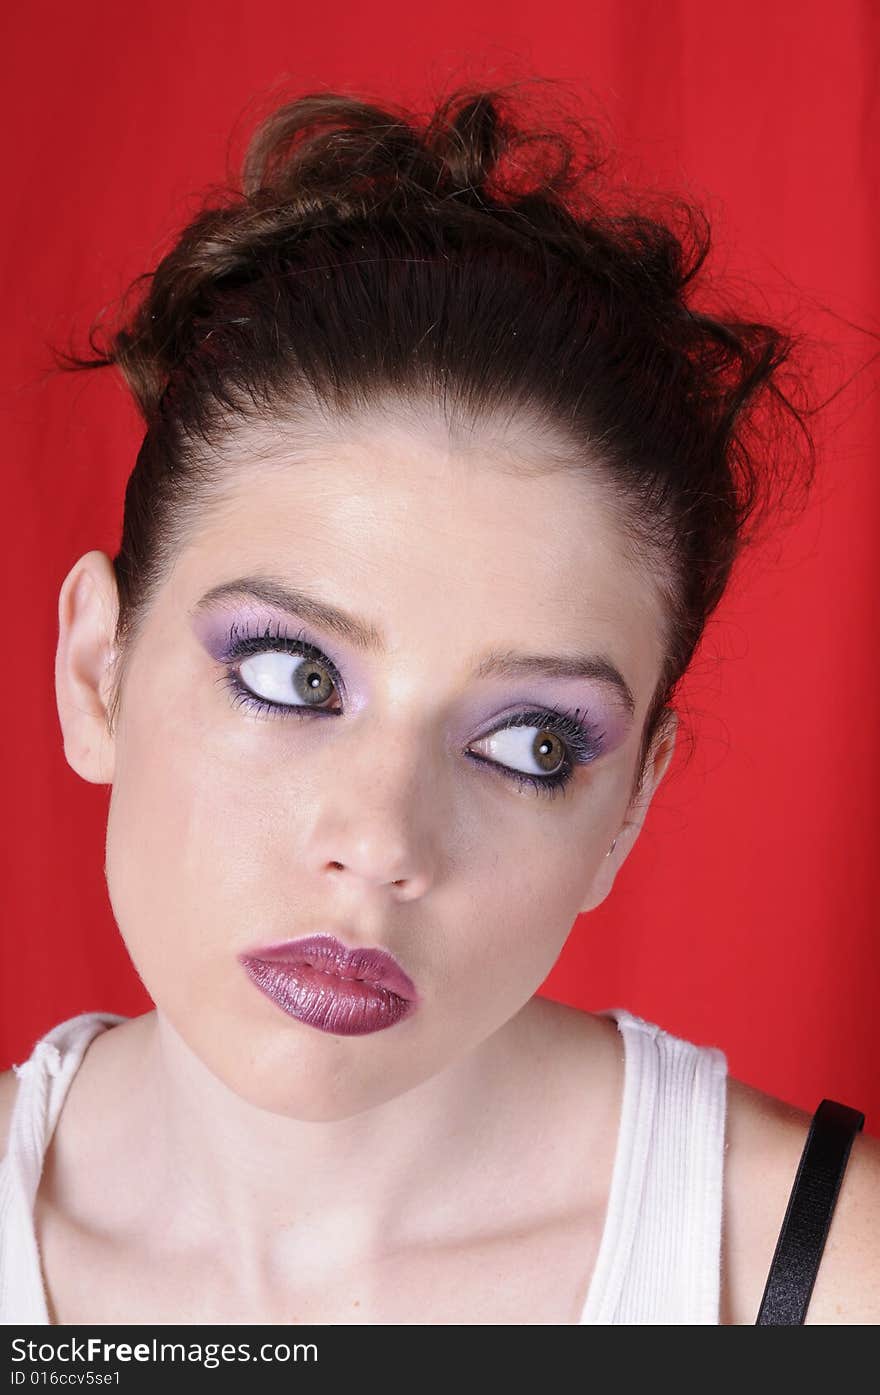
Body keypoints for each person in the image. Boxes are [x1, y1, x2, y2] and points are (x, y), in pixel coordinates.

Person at [1, 79, 877, 1327]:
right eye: (294, 677)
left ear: (629, 806)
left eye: (529, 742)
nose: (382, 843)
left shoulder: (821, 1280)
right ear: (98, 673)